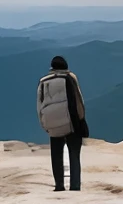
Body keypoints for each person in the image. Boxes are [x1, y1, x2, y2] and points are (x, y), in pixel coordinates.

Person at [36, 55, 89, 191]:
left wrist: (44, 124)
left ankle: (59, 185)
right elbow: (78, 101)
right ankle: (75, 185)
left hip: (52, 123)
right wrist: (81, 119)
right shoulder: (70, 77)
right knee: (74, 154)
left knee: (56, 154)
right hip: (71, 122)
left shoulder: (43, 81)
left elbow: (39, 105)